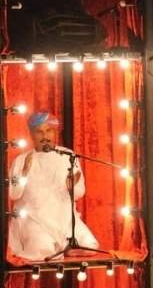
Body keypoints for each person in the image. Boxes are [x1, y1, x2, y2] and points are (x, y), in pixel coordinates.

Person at [7, 112, 100, 261]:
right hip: (34, 220)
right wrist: (24, 173)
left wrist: (71, 188)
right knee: (45, 251)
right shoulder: (21, 160)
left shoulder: (68, 156)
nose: (45, 136)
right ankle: (55, 247)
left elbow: (79, 192)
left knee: (90, 246)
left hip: (65, 220)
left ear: (55, 132)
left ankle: (64, 247)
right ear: (31, 134)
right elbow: (13, 194)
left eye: (48, 130)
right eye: (39, 132)